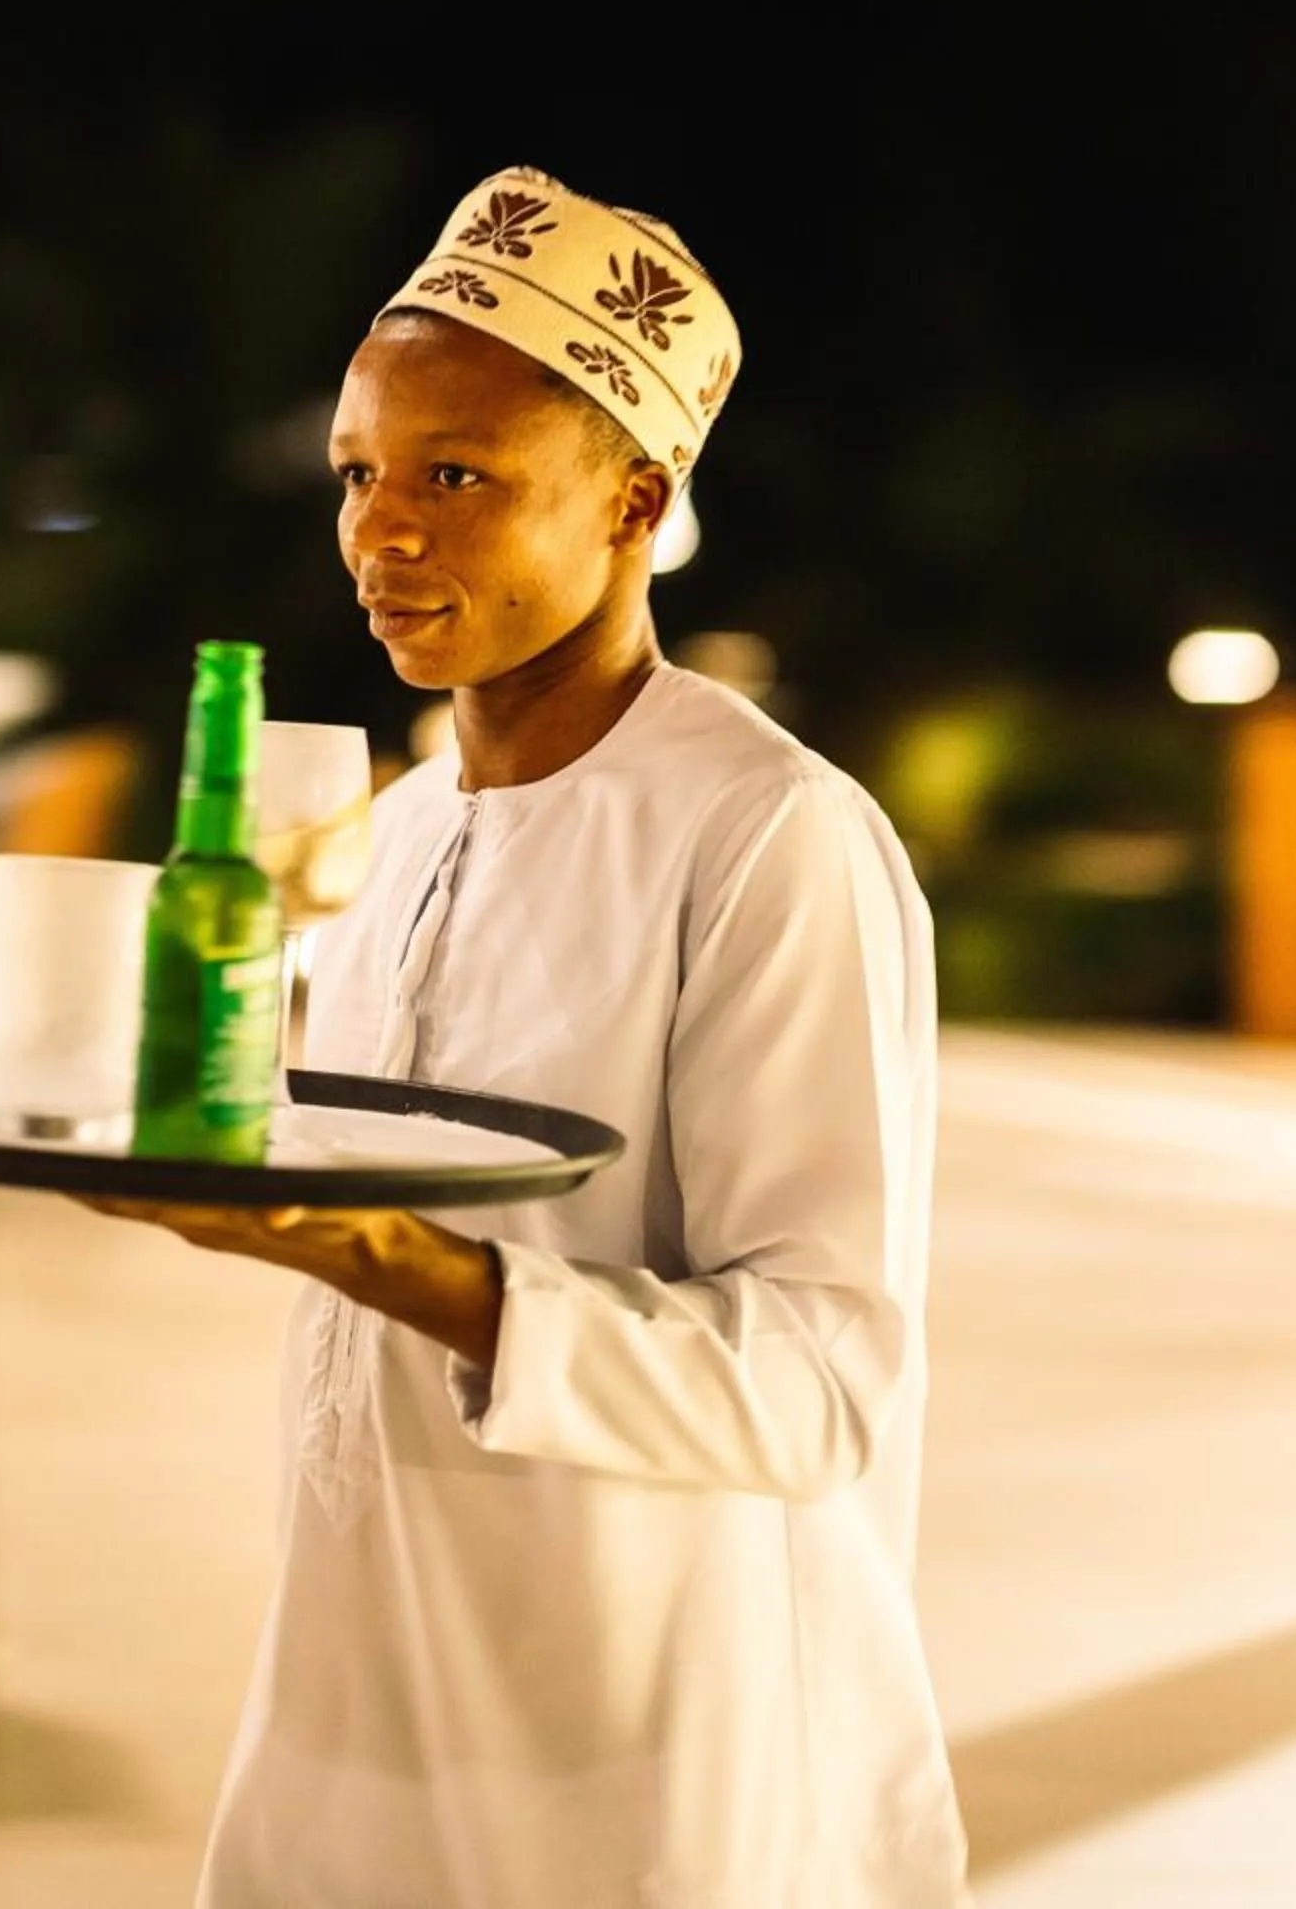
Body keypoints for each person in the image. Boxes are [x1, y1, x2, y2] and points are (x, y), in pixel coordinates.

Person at [99, 165, 971, 1909]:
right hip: (363, 1683)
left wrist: (370, 1252)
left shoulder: (767, 836)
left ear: (634, 502)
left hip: (659, 1737)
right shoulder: (404, 828)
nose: (380, 533)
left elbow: (818, 1386)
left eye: (457, 476)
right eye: (357, 472)